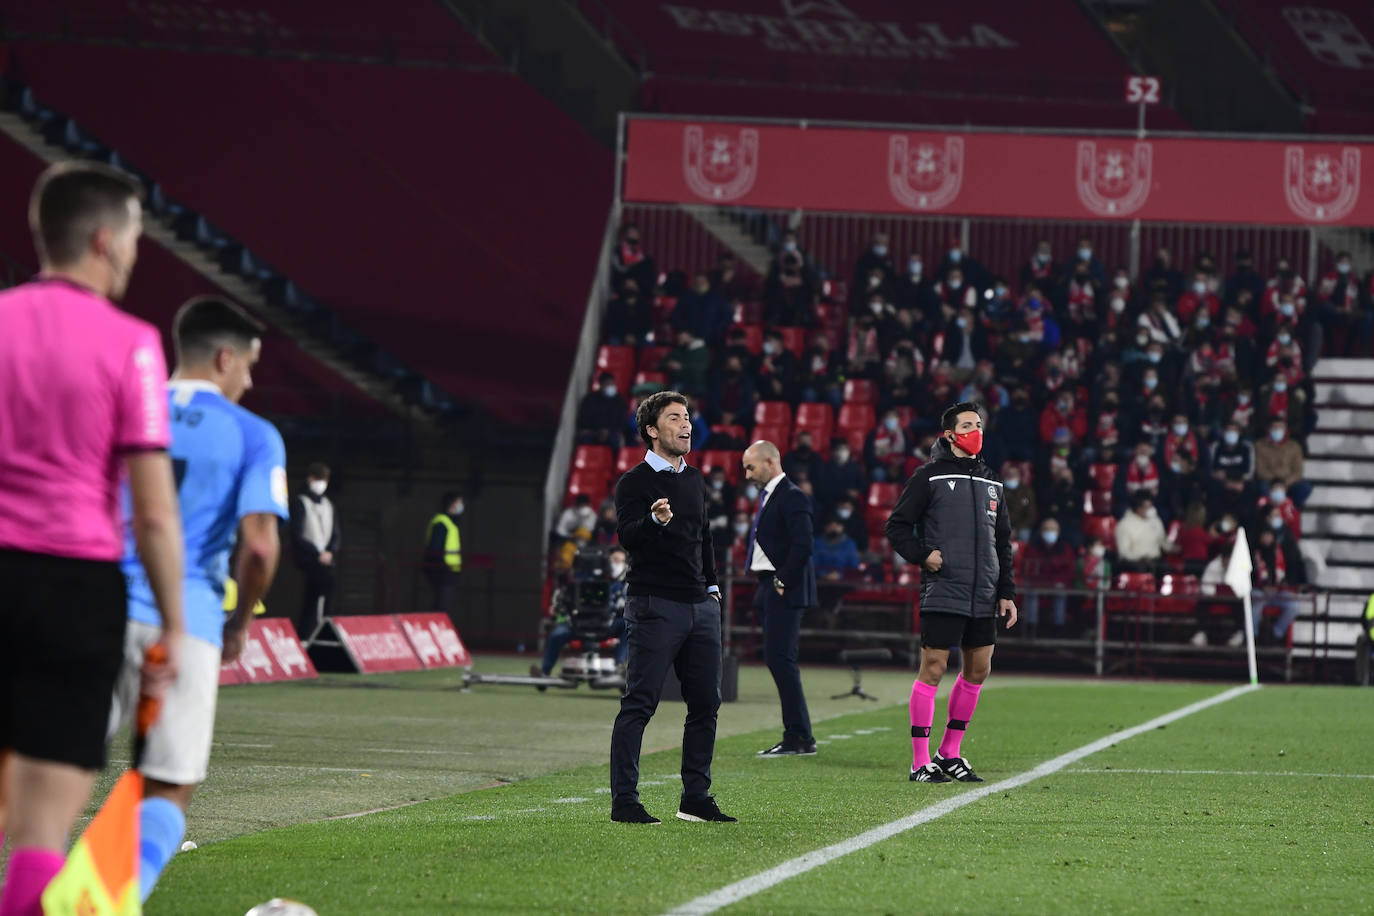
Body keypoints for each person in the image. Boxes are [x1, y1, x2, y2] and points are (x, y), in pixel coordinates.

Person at [0, 162, 185, 915]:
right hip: (74, 587)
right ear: (105, 241)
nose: (138, 254)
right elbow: (152, 512)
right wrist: (173, 627)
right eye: (137, 236)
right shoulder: (133, 343)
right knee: (40, 830)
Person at [109, 296, 287, 903]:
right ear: (224, 357)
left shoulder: (123, 406)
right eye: (249, 366)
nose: (250, 380)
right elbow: (259, 548)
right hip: (186, 621)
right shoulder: (252, 434)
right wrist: (240, 621)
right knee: (165, 789)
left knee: (44, 779)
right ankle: (96, 899)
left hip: (94, 606)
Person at [609, 391, 733, 824]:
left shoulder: (695, 480)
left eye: (688, 418)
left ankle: (694, 798)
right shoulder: (633, 483)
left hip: (700, 606)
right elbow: (628, 536)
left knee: (706, 704)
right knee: (640, 703)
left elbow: (704, 538)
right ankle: (625, 801)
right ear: (652, 430)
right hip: (654, 604)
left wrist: (713, 587)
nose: (687, 426)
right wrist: (654, 522)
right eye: (676, 418)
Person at [885, 402, 1017, 784]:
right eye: (968, 425)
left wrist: (1006, 591)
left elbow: (1002, 541)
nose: (976, 430)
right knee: (934, 669)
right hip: (944, 589)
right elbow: (896, 527)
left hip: (985, 592)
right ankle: (919, 761)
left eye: (979, 424)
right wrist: (923, 555)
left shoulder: (993, 481)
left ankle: (950, 752)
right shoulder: (928, 477)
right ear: (949, 434)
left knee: (979, 670)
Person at [741, 440, 819, 757]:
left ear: (771, 462)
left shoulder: (792, 495)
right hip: (770, 585)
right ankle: (798, 735)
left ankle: (799, 736)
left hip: (782, 586)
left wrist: (782, 579)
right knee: (779, 660)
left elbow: (804, 544)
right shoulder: (775, 495)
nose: (746, 474)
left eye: (750, 466)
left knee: (781, 660)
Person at [535, 546, 630, 676]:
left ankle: (620, 667)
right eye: (614, 560)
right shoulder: (580, 582)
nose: (617, 564)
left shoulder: (624, 587)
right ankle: (544, 672)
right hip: (578, 624)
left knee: (628, 626)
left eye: (620, 561)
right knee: (557, 634)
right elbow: (563, 603)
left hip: (606, 625)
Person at [290, 462, 340, 640]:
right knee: (325, 587)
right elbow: (297, 534)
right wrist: (316, 554)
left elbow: (335, 533)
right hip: (309, 558)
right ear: (310, 479)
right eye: (318, 479)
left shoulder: (328, 505)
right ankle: (323, 628)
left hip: (325, 558)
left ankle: (309, 633)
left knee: (312, 598)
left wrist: (330, 552)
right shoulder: (300, 502)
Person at [1021, 519, 1075, 635]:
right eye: (1047, 529)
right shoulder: (1032, 547)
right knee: (1031, 591)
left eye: (1053, 529)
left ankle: (1058, 627)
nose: (1050, 532)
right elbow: (1028, 569)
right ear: (1040, 532)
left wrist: (1056, 580)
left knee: (1060, 591)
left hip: (1057, 582)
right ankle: (1031, 627)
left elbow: (1068, 570)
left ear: (1058, 532)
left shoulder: (1065, 548)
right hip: (1037, 582)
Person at [423, 491, 464, 615]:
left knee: (444, 605)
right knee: (442, 607)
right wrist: (441, 566)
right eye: (459, 503)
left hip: (448, 571)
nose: (461, 506)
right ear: (451, 504)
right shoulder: (442, 523)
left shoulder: (450, 523)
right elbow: (435, 548)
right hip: (442, 571)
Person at [1115, 493, 1174, 570]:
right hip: (1135, 563)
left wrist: (1174, 548)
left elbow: (1162, 541)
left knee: (1167, 569)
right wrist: (1141, 556)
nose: (1151, 510)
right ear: (1138, 508)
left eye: (1151, 506)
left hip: (1155, 561)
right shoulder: (1124, 524)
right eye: (1147, 507)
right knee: (1142, 569)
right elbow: (1124, 552)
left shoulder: (1155, 520)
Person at [576, 372, 627, 446]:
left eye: (612, 384)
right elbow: (583, 419)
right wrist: (597, 431)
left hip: (611, 433)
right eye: (607, 384)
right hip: (592, 433)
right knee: (585, 440)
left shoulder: (619, 401)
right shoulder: (590, 399)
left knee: (616, 441)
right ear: (601, 385)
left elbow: (622, 421)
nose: (610, 386)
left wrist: (608, 431)